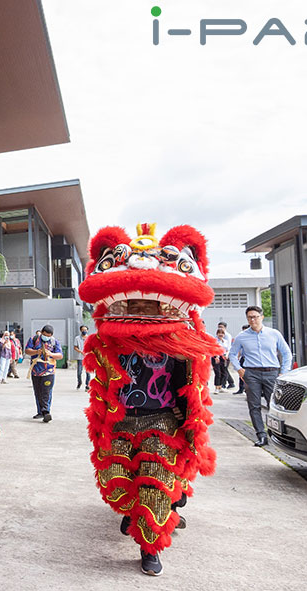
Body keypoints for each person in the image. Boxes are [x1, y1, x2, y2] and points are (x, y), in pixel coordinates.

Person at [79, 222, 222, 577]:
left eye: (149, 302)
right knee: (116, 483)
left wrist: (189, 421)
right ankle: (133, 513)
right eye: (136, 302)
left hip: (162, 422)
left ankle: (151, 546)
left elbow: (194, 389)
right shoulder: (110, 343)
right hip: (121, 420)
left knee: (155, 486)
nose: (143, 307)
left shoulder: (181, 346)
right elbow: (100, 385)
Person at [228, 305, 293, 447]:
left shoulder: (274, 334)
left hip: (272, 372)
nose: (252, 320)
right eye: (250, 317)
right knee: (254, 405)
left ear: (261, 317)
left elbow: (286, 352)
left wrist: (284, 372)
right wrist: (239, 369)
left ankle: (275, 434)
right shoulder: (242, 337)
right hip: (251, 373)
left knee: (275, 405)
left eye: (255, 317)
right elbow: (232, 354)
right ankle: (261, 435)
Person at [24, 325, 62, 422]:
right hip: (36, 371)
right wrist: (37, 351)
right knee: (38, 392)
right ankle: (40, 412)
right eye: (45, 335)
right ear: (41, 332)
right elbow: (27, 351)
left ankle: (46, 411)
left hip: (49, 371)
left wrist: (51, 354)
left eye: (48, 336)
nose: (46, 337)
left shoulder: (54, 342)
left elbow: (60, 355)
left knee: (46, 392)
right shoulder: (34, 339)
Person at [211, 322, 233, 394]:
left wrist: (227, 355)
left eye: (222, 333)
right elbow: (214, 349)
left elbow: (228, 348)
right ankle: (217, 387)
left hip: (223, 357)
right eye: (219, 333)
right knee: (218, 373)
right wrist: (216, 356)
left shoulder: (226, 340)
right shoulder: (215, 340)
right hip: (216, 357)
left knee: (224, 373)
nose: (221, 335)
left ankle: (221, 386)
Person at [73, 325, 92, 390]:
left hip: (88, 357)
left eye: (85, 330)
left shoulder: (89, 338)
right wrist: (81, 352)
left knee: (88, 372)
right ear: (80, 330)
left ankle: (87, 385)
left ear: (87, 330)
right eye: (83, 330)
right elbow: (75, 347)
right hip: (80, 357)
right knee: (79, 372)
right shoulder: (77, 338)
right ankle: (79, 382)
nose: (84, 331)